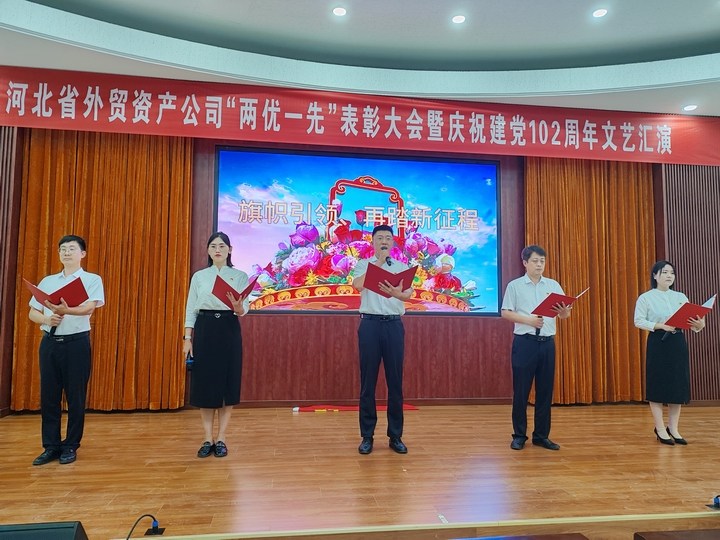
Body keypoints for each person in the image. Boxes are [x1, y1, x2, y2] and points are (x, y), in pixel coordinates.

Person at [29, 235, 105, 466]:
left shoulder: (91, 279)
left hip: (76, 344)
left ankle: (71, 445)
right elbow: (32, 312)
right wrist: (47, 318)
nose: (67, 252)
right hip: (50, 343)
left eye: (72, 248)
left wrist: (65, 310)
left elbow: (89, 308)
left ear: (82, 254)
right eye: (63, 249)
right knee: (49, 397)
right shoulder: (48, 281)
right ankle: (51, 446)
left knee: (76, 397)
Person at [183, 232, 250, 458]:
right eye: (213, 246)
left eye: (222, 246)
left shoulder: (240, 275)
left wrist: (238, 306)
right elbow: (191, 307)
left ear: (230, 250)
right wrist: (187, 338)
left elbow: (243, 310)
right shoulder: (199, 276)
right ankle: (207, 438)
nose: (217, 250)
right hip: (205, 328)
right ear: (208, 251)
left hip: (228, 329)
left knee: (227, 384)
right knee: (205, 384)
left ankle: (221, 438)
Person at [501, 245, 572, 451]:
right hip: (525, 342)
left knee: (545, 391)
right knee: (521, 391)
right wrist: (529, 320)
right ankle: (519, 435)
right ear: (525, 263)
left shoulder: (553, 285)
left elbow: (564, 315)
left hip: (547, 343)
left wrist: (565, 311)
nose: (539, 264)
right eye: (535, 261)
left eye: (542, 261)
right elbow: (506, 312)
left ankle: (541, 436)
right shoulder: (515, 286)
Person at [351, 224, 413, 455]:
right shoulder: (363, 264)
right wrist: (378, 263)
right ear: (373, 242)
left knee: (395, 382)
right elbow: (357, 285)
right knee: (368, 382)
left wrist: (398, 294)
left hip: (394, 325)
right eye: (380, 238)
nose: (384, 241)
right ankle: (367, 436)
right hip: (370, 325)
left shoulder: (401, 267)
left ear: (393, 242)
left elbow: (408, 294)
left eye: (388, 238)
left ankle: (395, 436)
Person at [634, 260, 705, 445]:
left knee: (677, 384)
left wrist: (699, 324)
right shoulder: (646, 298)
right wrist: (660, 325)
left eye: (671, 273)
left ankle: (673, 428)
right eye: (664, 272)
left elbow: (692, 322)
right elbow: (638, 321)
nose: (669, 276)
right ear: (655, 275)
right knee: (657, 384)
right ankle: (659, 428)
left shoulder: (680, 297)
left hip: (677, 342)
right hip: (658, 341)